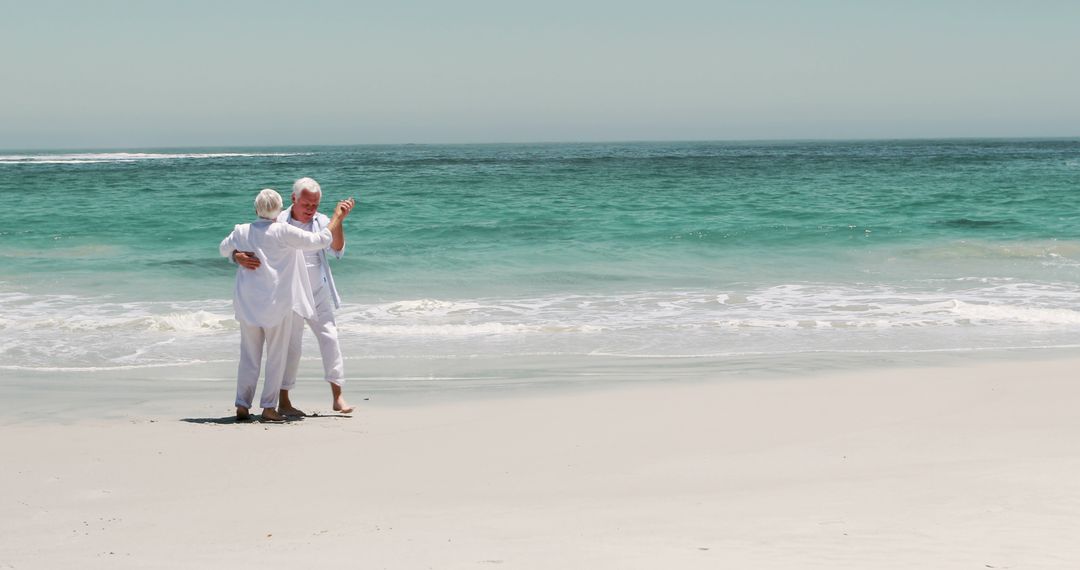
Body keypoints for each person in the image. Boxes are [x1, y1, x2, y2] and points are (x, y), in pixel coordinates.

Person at [220, 188, 351, 422]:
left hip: (247, 304)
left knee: (248, 356)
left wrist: (235, 255)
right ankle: (269, 408)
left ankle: (242, 404)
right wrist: (336, 218)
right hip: (277, 305)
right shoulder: (282, 230)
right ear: (280, 209)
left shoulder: (241, 230)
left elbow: (223, 249)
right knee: (276, 357)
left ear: (255, 208)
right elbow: (319, 240)